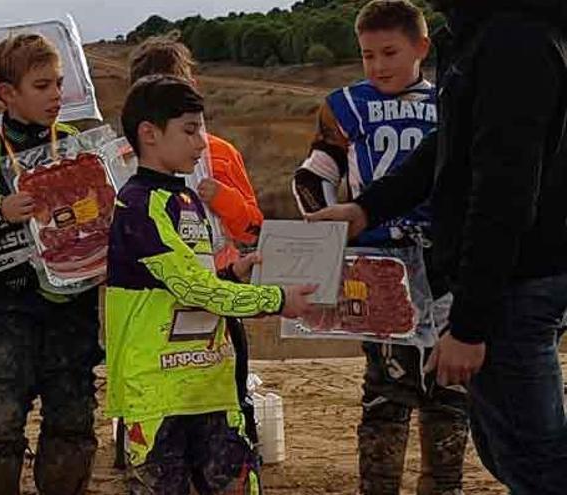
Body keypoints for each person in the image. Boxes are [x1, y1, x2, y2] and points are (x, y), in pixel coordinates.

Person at [307, 0, 567, 492]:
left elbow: (504, 193)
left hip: (514, 285)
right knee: (508, 448)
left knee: (537, 463)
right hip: (507, 283)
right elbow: (451, 147)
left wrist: (469, 325)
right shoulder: (478, 34)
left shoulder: (515, 39)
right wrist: (366, 209)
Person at [107, 74, 316, 494]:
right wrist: (275, 299)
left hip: (213, 387)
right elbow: (190, 289)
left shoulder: (189, 201)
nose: (202, 143)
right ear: (148, 134)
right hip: (156, 394)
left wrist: (231, 274)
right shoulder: (135, 205)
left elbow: (192, 284)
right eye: (189, 130)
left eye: (201, 128)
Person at [292, 2, 469, 493]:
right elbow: (312, 175)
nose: (378, 65)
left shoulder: (452, 101)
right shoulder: (344, 103)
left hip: (441, 261)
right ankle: (379, 485)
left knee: (448, 389)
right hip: (377, 261)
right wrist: (325, 231)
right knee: (385, 389)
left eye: (390, 52)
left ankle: (444, 484)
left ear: (422, 48)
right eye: (368, 55)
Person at [0, 34, 102, 494]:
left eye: (60, 84)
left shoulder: (81, 147)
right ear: (7, 94)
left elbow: (109, 219)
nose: (56, 95)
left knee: (73, 416)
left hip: (74, 307)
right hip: (7, 308)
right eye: (42, 85)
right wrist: (0, 214)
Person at [127, 36, 266, 446]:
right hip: (150, 302)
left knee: (227, 385)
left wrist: (223, 199)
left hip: (219, 292)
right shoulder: (120, 158)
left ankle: (238, 446)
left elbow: (253, 230)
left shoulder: (218, 153)